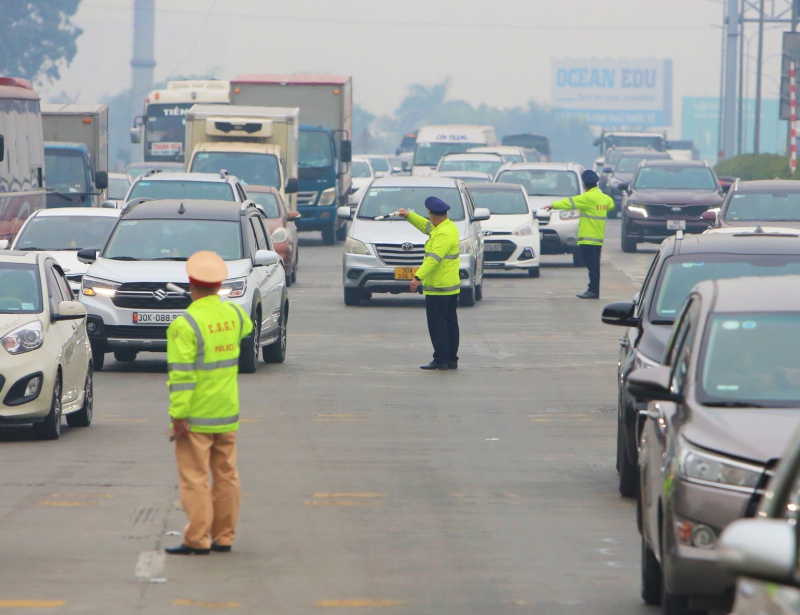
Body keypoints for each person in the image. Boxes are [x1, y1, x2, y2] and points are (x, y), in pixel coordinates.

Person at [165, 251, 253, 555]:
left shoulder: (184, 324)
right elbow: (247, 329)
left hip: (196, 417)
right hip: (227, 413)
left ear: (191, 284)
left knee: (195, 479)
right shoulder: (235, 315)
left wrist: (179, 416)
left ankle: (197, 539)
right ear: (219, 285)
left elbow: (182, 377)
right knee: (227, 476)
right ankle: (224, 537)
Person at [398, 196, 461, 370]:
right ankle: (451, 359)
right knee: (449, 323)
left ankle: (441, 359)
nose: (428, 220)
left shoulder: (443, 233)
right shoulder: (447, 227)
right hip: (449, 286)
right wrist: (409, 216)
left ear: (433, 216)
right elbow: (425, 226)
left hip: (439, 287)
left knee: (438, 325)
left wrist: (417, 277)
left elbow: (433, 259)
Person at [540, 169, 614, 299]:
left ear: (585, 185)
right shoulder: (604, 198)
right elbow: (611, 206)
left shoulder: (587, 198)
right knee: (595, 266)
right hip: (598, 239)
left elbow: (569, 203)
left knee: (593, 267)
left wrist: (552, 206)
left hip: (587, 240)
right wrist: (607, 198)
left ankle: (593, 291)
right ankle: (593, 289)